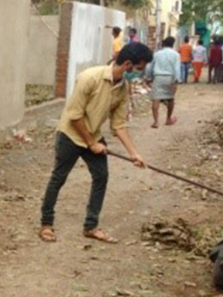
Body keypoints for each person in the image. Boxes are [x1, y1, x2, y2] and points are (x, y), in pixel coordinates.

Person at [38, 43, 151, 244]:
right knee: (59, 177)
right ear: (127, 64)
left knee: (101, 176)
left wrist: (134, 153)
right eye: (139, 68)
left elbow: (119, 125)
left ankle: (91, 226)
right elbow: (74, 116)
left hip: (93, 135)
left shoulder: (123, 87)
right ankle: (46, 224)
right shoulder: (90, 78)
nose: (139, 74)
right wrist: (91, 143)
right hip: (71, 135)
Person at [148, 37, 181, 129]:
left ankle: (156, 121)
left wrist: (148, 77)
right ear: (173, 44)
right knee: (170, 98)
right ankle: (168, 119)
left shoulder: (157, 54)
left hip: (158, 76)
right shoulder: (176, 55)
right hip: (170, 77)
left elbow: (150, 66)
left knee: (156, 99)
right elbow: (177, 68)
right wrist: (176, 80)